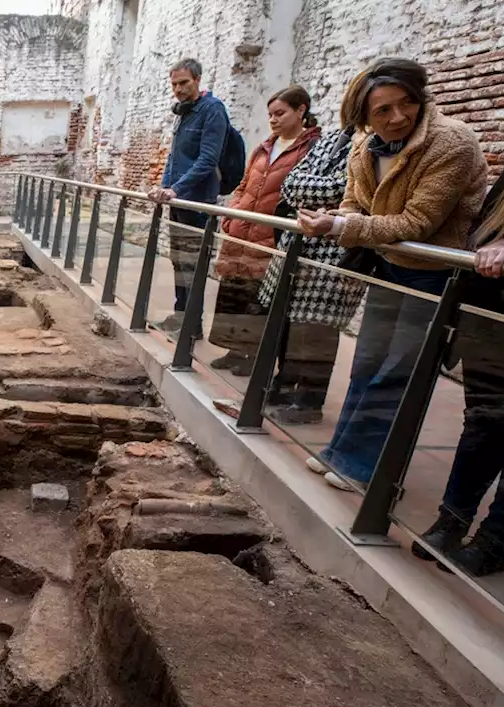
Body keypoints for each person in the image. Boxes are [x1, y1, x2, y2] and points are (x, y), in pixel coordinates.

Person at [297, 57, 487, 491]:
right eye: (383, 110)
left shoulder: (451, 142)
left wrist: (343, 227)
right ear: (364, 116)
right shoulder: (365, 146)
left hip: (436, 273)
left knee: (399, 371)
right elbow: (353, 201)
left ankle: (367, 472)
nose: (398, 116)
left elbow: (416, 223)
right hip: (388, 266)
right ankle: (341, 452)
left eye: (407, 103)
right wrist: (342, 217)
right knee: (367, 363)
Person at [413, 140, 504, 576]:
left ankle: (497, 539)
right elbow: (492, 216)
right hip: (500, 310)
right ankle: (452, 518)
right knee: (484, 418)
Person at [256, 118, 367, 425]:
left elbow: (344, 188)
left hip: (335, 249)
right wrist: (317, 192)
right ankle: (285, 380)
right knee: (289, 322)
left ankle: (308, 398)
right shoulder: (333, 138)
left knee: (318, 327)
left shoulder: (370, 144)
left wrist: (309, 190)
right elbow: (290, 184)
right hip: (301, 242)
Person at [208, 86, 322, 375]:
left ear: (301, 110)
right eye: (270, 114)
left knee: (258, 298)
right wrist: (231, 215)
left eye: (280, 113)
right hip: (241, 231)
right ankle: (234, 349)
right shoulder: (265, 146)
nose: (273, 119)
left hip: (269, 235)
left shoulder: (311, 149)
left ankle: (252, 355)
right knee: (233, 293)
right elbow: (245, 184)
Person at [148, 58, 232, 333]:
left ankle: (192, 324)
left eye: (184, 83)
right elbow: (174, 159)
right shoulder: (183, 112)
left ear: (197, 79)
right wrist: (163, 188)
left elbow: (208, 158)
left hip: (198, 202)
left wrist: (176, 189)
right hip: (178, 200)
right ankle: (180, 314)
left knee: (194, 264)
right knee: (178, 259)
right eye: (174, 84)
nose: (178, 89)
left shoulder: (213, 110)